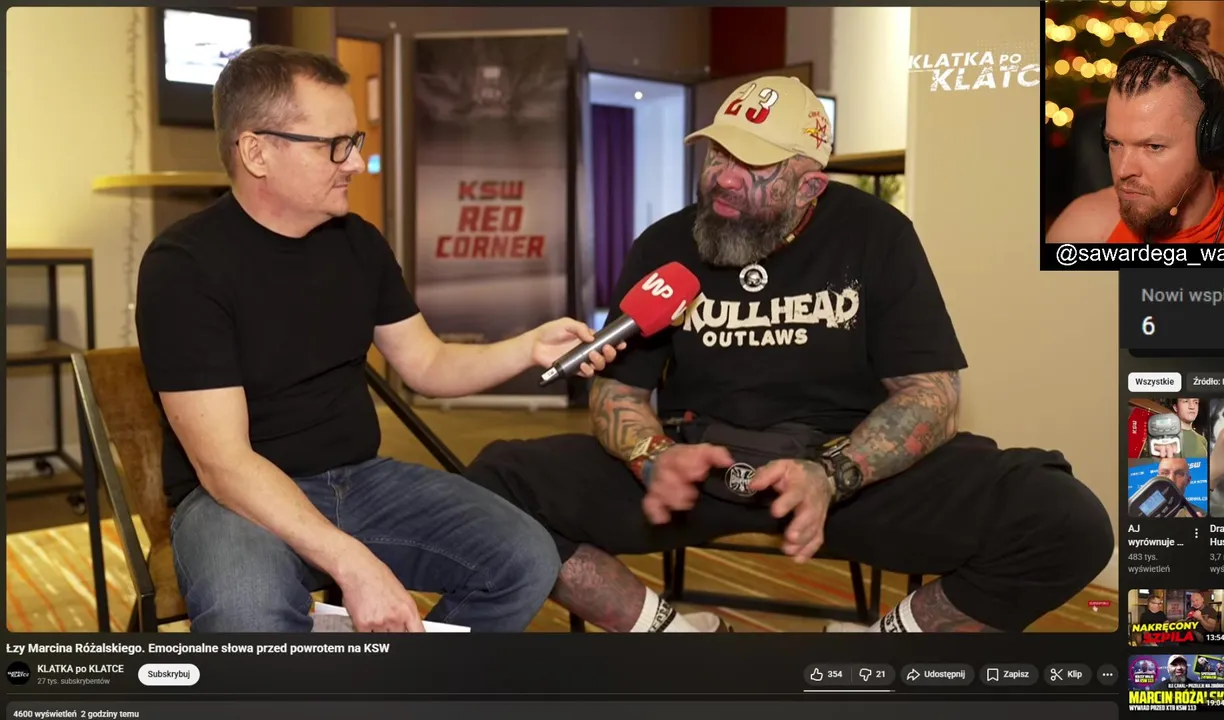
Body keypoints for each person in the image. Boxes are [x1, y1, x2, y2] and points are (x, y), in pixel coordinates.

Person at [465, 75, 1115, 633]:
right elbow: (619, 390)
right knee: (494, 486)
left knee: (1065, 519)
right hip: (697, 469)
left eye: (752, 167)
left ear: (810, 187)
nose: (722, 178)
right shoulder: (664, 244)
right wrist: (652, 456)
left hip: (843, 475)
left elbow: (932, 394)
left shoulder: (877, 235)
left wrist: (832, 475)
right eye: (717, 153)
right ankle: (669, 635)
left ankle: (881, 644)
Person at [135, 45, 620, 633]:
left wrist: (529, 347)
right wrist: (354, 563)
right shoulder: (184, 265)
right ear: (257, 152)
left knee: (526, 558)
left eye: (355, 141)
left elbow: (427, 363)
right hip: (237, 498)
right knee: (249, 612)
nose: (357, 163)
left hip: (360, 480)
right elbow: (226, 465)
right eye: (334, 145)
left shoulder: (357, 243)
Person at [1046, 16, 1224, 244]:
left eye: (1153, 146)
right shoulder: (1081, 228)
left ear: (1212, 144)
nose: (1123, 171)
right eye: (1115, 143)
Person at [1142, 398, 1208, 459]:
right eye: (1186, 401)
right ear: (1175, 407)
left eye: (1196, 402)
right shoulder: (1159, 439)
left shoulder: (1202, 440)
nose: (1192, 406)